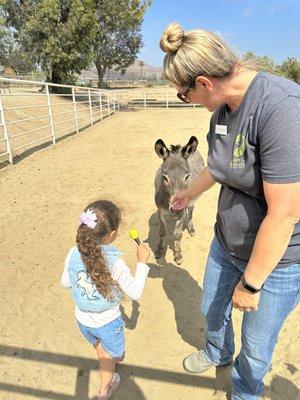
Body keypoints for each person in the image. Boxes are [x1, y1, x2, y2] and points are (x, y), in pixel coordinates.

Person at [159, 22, 300, 400]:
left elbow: (285, 212)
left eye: (183, 94)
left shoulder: (281, 109)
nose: (184, 99)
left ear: (203, 82)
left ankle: (244, 393)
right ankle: (217, 351)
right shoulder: (221, 111)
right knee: (211, 306)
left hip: (276, 260)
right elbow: (220, 166)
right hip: (227, 242)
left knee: (256, 349)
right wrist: (189, 193)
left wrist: (252, 282)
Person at [61, 200, 150, 400]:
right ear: (111, 235)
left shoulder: (73, 252)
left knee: (101, 349)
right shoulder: (115, 262)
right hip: (107, 323)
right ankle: (103, 393)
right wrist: (142, 262)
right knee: (113, 356)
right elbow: (135, 292)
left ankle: (103, 356)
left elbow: (66, 282)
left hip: (83, 321)